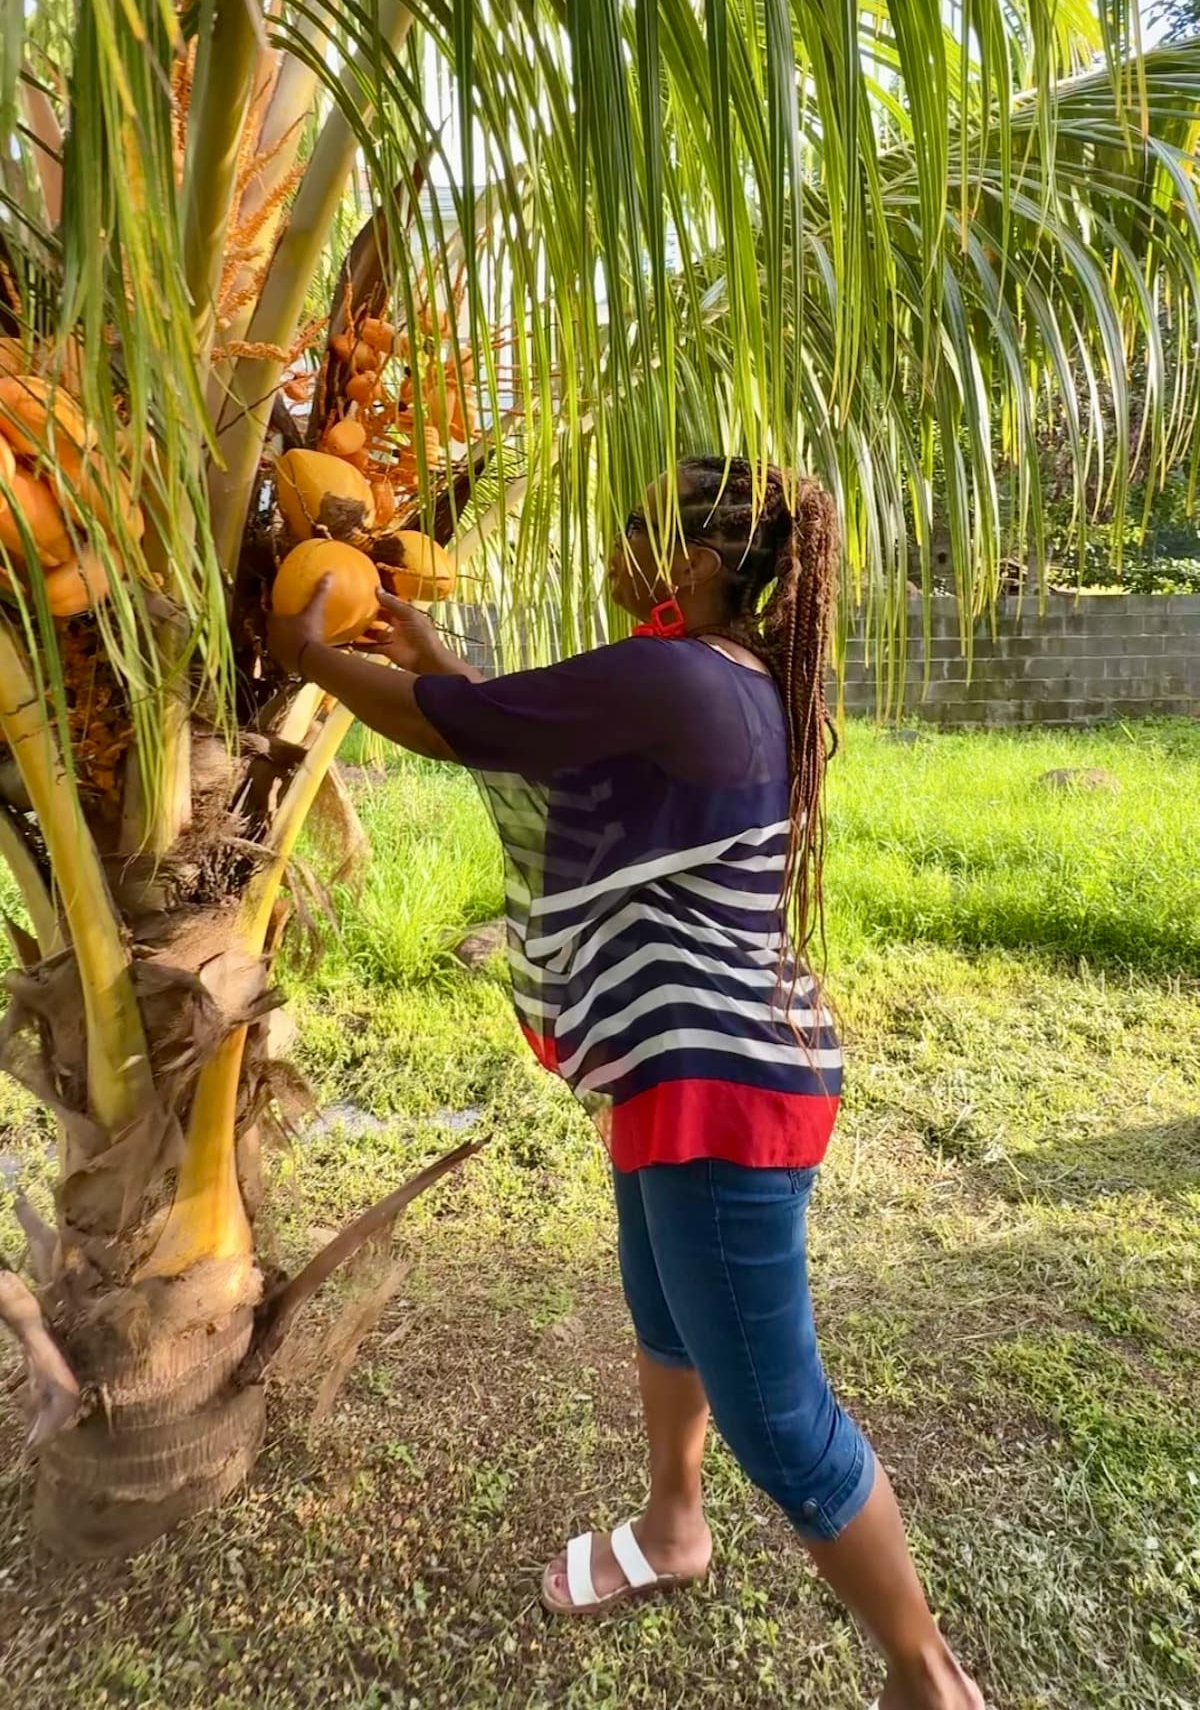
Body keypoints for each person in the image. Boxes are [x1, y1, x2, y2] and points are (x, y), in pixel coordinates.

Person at [267, 457, 984, 1710]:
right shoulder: (733, 674)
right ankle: (672, 1525)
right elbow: (528, 721)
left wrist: (306, 648)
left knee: (779, 1417)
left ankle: (928, 1677)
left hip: (717, 1086)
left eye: (632, 535)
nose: (612, 554)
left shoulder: (674, 677)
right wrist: (430, 646)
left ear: (694, 563)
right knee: (663, 1311)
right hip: (693, 1062)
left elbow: (470, 729)